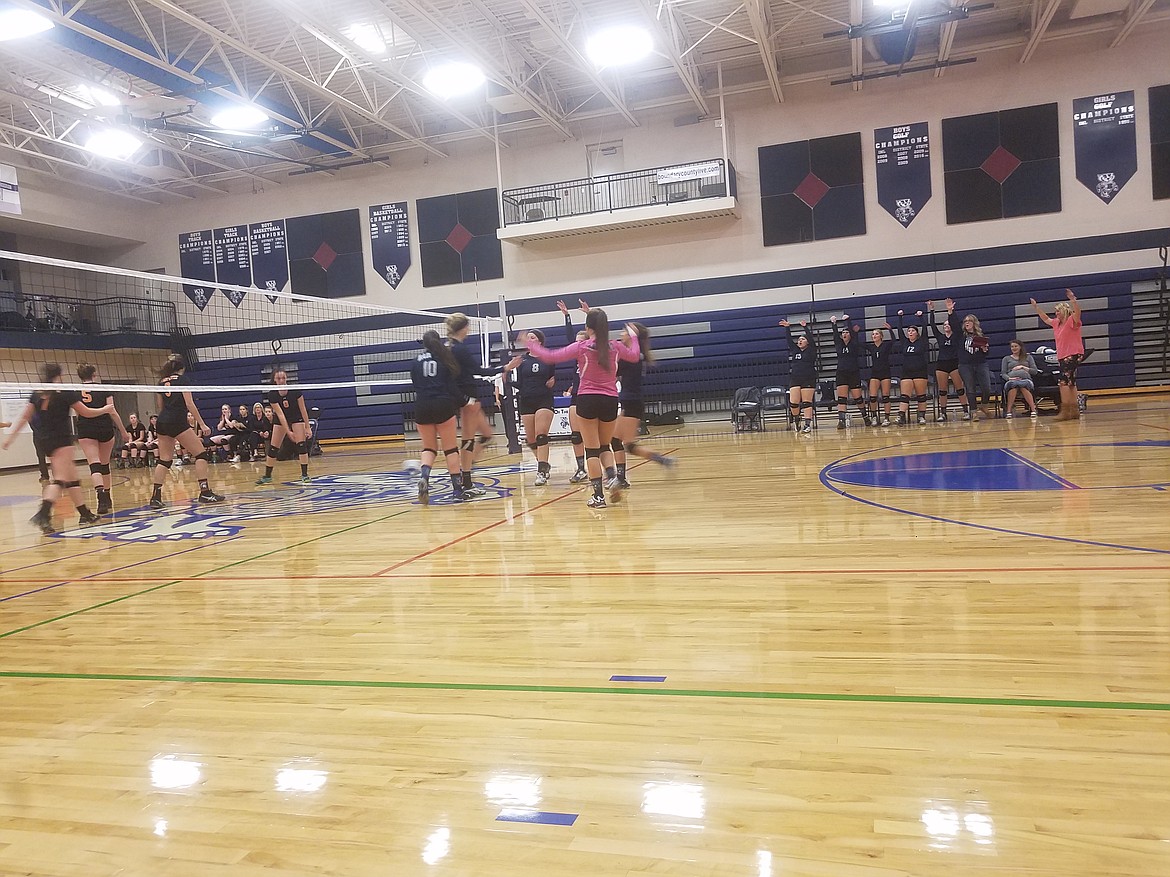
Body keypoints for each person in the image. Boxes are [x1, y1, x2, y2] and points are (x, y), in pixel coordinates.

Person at [526, 309, 640, 508]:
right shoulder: (616, 347)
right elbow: (635, 355)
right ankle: (612, 477)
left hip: (587, 399)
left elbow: (551, 355)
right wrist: (634, 336)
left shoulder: (582, 346)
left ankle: (598, 496)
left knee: (592, 450)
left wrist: (529, 343)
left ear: (588, 328)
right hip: (610, 400)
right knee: (605, 446)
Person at [1, 362, 113, 533]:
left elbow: (25, 417)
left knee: (72, 478)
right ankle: (43, 514)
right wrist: (105, 409)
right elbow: (86, 412)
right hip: (61, 440)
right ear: (59, 375)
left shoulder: (37, 392)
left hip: (45, 440)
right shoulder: (65, 391)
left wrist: (10, 438)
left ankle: (85, 513)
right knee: (60, 480)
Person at [149, 355, 224, 510]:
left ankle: (155, 497)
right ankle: (204, 492)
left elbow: (160, 407)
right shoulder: (183, 380)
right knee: (201, 454)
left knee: (164, 460)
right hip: (177, 420)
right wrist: (202, 424)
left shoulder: (161, 382)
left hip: (162, 421)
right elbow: (189, 403)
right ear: (182, 368)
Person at [610, 321, 673, 486]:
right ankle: (660, 460)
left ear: (632, 336)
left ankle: (622, 478)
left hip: (632, 402)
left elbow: (613, 370)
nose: (621, 333)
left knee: (621, 442)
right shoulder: (634, 355)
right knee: (623, 443)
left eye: (625, 331)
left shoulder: (634, 356)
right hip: (629, 402)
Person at [446, 313, 499, 497]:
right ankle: (466, 480)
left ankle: (467, 466)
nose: (469, 330)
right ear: (463, 328)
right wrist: (504, 368)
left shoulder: (448, 347)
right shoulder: (459, 349)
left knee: (487, 435)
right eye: (467, 327)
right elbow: (478, 370)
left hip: (465, 396)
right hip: (468, 397)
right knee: (468, 439)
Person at [411, 330, 466, 504]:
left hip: (422, 405)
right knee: (450, 449)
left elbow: (415, 384)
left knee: (429, 448)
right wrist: (464, 401)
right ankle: (457, 490)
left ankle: (425, 478)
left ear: (425, 344)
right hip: (442, 404)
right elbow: (451, 386)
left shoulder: (415, 361)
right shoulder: (445, 359)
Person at [504, 329, 557, 487]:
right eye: (528, 338)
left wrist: (552, 382)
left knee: (541, 435)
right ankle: (544, 464)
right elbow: (520, 383)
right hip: (526, 399)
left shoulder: (548, 358)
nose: (530, 340)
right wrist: (507, 380)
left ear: (539, 341)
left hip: (544, 399)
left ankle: (541, 471)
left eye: (533, 337)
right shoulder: (522, 361)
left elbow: (552, 378)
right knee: (531, 439)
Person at [75, 363, 130, 515]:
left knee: (95, 465)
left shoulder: (75, 391)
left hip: (86, 428)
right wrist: (123, 431)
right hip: (104, 428)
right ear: (94, 374)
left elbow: (79, 413)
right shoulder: (104, 388)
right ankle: (107, 495)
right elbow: (112, 411)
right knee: (105, 464)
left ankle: (101, 500)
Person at [1031, 288, 1085, 421]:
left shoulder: (1072, 320)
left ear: (1064, 311)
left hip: (1072, 354)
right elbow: (1045, 319)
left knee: (1063, 382)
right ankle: (1074, 411)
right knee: (1071, 382)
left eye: (1058, 311)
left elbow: (1078, 313)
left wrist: (1073, 301)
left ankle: (1065, 410)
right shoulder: (1056, 323)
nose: (1056, 313)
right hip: (1063, 355)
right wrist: (1036, 307)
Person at [256, 368, 313, 484]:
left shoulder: (295, 390)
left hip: (296, 417)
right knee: (273, 448)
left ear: (286, 378)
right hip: (281, 419)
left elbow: (303, 409)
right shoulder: (272, 394)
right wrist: (288, 432)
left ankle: (305, 475)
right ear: (274, 380)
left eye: (283, 378)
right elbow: (280, 414)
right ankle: (267, 476)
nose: (281, 380)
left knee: (301, 445)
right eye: (278, 378)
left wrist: (307, 427)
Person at [556, 299, 590, 483]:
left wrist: (589, 314)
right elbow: (570, 339)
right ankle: (581, 469)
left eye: (579, 343)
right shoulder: (575, 357)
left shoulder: (592, 351)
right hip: (577, 395)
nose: (575, 346)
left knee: (595, 435)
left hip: (592, 395)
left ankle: (607, 470)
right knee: (576, 434)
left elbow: (598, 335)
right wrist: (567, 316)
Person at [927, 298, 969, 421]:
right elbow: (932, 325)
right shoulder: (940, 336)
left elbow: (956, 324)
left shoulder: (957, 335)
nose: (946, 326)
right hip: (942, 364)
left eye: (948, 324)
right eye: (944, 325)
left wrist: (950, 310)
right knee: (942, 390)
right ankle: (943, 413)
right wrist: (932, 310)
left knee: (960, 388)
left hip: (955, 363)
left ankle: (966, 411)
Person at [829, 316, 869, 429]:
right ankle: (841, 420)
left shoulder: (854, 344)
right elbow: (835, 335)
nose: (845, 334)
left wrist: (848, 321)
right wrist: (834, 324)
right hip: (841, 373)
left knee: (858, 398)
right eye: (843, 332)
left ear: (850, 334)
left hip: (853, 373)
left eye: (847, 332)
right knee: (842, 398)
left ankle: (865, 417)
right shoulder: (839, 344)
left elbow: (852, 333)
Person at [779, 319, 817, 434]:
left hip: (808, 377)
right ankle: (796, 420)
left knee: (806, 402)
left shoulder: (811, 350)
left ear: (807, 342)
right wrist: (787, 328)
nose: (800, 341)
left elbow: (811, 339)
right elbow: (789, 341)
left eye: (803, 339)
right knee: (794, 403)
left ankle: (807, 424)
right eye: (799, 339)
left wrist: (805, 327)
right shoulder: (795, 350)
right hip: (795, 378)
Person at [892, 311, 930, 425]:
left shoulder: (922, 341)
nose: (910, 332)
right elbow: (899, 330)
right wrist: (900, 317)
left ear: (917, 333)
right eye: (909, 331)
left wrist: (921, 317)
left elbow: (925, 329)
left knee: (921, 395)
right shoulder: (904, 342)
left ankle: (921, 416)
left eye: (913, 330)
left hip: (920, 371)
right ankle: (901, 416)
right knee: (904, 395)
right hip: (907, 371)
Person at [956, 308, 992, 420]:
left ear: (974, 323)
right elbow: (953, 323)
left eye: (969, 321)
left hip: (980, 363)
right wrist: (950, 311)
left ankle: (984, 405)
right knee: (970, 388)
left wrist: (985, 349)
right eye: (965, 321)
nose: (967, 322)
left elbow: (986, 353)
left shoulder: (980, 335)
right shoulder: (960, 335)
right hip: (965, 364)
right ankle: (974, 412)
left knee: (987, 387)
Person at [1000, 339, 1039, 418]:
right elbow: (1003, 373)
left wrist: (1023, 367)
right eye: (1012, 347)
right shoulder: (1006, 359)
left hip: (1026, 380)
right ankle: (1009, 411)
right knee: (1013, 387)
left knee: (1023, 386)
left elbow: (1035, 371)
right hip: (1012, 380)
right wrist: (1009, 379)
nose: (1014, 348)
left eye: (1016, 346)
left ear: (1020, 347)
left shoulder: (1028, 357)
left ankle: (1033, 410)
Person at [866, 326, 894, 427]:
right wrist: (854, 332)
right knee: (872, 397)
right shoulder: (871, 347)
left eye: (876, 334)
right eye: (873, 334)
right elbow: (857, 344)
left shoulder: (886, 345)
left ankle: (886, 418)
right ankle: (874, 417)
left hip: (885, 373)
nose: (874, 335)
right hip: (875, 373)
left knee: (885, 397)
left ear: (881, 336)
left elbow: (894, 340)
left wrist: (890, 330)